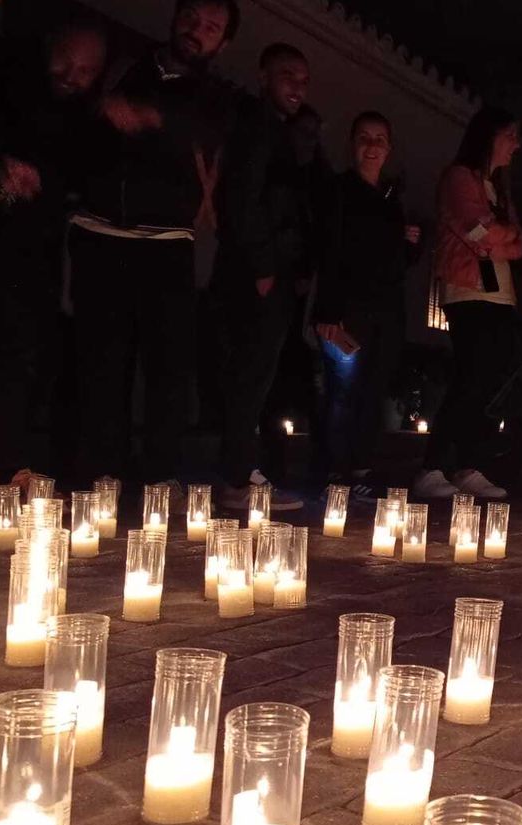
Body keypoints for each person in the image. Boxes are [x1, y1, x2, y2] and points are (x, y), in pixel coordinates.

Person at [67, 0, 240, 498]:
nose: (196, 30)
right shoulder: (124, 68)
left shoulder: (215, 97)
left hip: (166, 243)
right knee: (102, 361)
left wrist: (149, 117)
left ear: (222, 43)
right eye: (192, 16)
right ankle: (102, 475)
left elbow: (202, 134)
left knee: (167, 365)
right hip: (99, 233)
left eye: (211, 27)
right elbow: (80, 113)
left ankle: (159, 477)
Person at [0, 18, 109, 491]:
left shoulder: (82, 116)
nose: (73, 75)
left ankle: (34, 463)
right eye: (66, 61)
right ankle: (6, 466)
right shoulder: (7, 83)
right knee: (13, 349)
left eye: (87, 70)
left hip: (48, 249)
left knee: (42, 353)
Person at [210, 41, 315, 511]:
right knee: (249, 374)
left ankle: (240, 470)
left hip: (272, 272)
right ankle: (235, 477)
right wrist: (264, 268)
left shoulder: (276, 130)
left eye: (303, 79)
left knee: (257, 375)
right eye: (288, 75)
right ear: (263, 75)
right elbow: (244, 197)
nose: (297, 86)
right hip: (257, 274)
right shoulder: (256, 126)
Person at [415, 107, 522, 500]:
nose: (517, 143)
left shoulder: (497, 187)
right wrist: (502, 236)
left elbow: (517, 244)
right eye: (511, 134)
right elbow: (478, 230)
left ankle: (469, 464)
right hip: (469, 292)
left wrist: (502, 235)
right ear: (489, 135)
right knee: (472, 378)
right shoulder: (460, 178)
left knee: (489, 381)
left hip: (498, 296)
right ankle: (434, 465)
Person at [314, 110, 422, 498]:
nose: (372, 146)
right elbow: (329, 250)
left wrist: (410, 243)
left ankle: (359, 469)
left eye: (380, 139)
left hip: (386, 312)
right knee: (342, 391)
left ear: (389, 148)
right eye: (365, 137)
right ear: (352, 143)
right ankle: (332, 473)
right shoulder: (339, 191)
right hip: (347, 310)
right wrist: (328, 311)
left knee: (372, 390)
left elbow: (397, 262)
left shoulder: (391, 198)